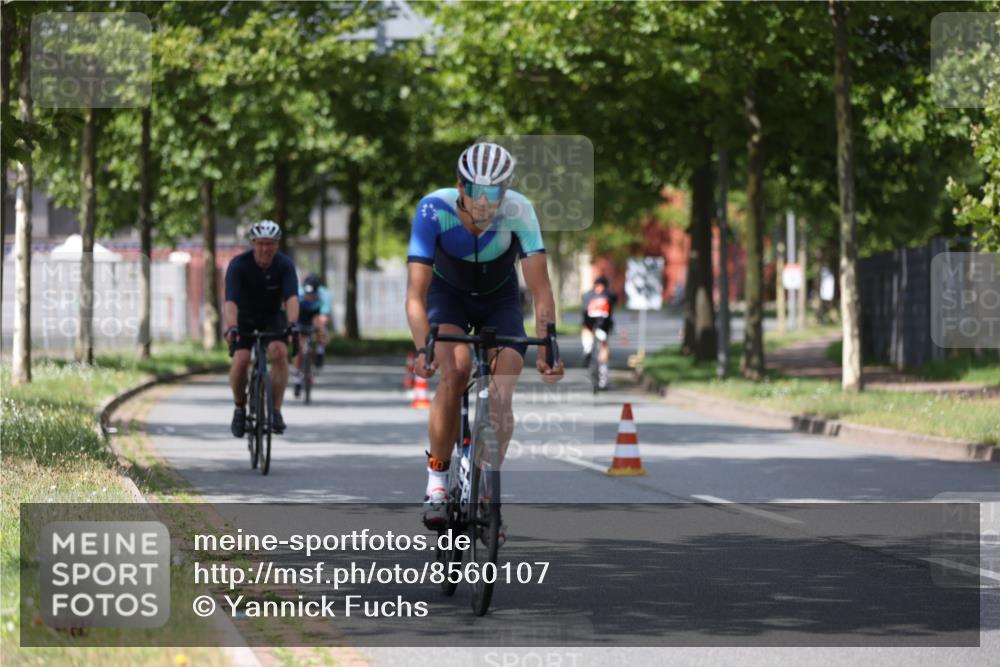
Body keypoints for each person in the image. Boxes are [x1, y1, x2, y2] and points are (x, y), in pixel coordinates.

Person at [406, 141, 565, 528]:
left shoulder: (519, 212)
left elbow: (541, 289)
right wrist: (423, 348)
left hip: (499, 300)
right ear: (460, 186)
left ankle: (485, 492)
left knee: (501, 390)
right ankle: (437, 482)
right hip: (448, 298)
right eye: (476, 190)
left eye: (493, 192)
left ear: (505, 192)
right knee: (455, 373)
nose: (483, 201)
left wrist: (549, 345)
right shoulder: (433, 209)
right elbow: (415, 295)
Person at [223, 220, 299, 436]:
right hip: (243, 318)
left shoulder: (285, 265)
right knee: (241, 360)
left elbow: (292, 298)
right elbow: (230, 302)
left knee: (279, 352)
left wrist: (292, 324)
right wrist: (232, 327)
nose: (266, 248)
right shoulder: (238, 265)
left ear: (277, 245)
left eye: (270, 243)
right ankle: (240, 408)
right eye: (261, 243)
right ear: (253, 244)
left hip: (272, 317)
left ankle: (275, 411)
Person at [293, 273, 333, 397]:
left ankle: (320, 351)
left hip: (316, 314)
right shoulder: (298, 294)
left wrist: (320, 328)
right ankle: (297, 377)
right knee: (299, 347)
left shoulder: (325, 295)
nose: (310, 296)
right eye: (307, 293)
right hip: (302, 315)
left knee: (321, 327)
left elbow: (324, 316)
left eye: (312, 294)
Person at [581, 276, 617, 389]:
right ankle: (587, 350)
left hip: (601, 326)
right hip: (592, 325)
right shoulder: (590, 295)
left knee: (603, 348)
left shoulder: (606, 295)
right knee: (589, 337)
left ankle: (603, 378)